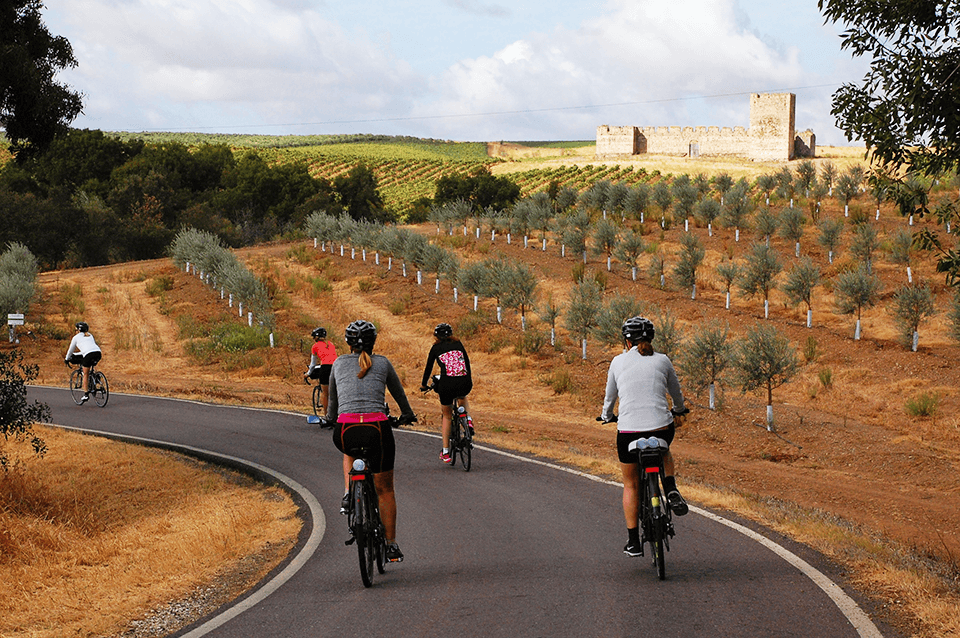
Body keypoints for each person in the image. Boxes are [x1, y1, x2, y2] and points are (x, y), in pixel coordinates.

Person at [326, 319, 416, 563]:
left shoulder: (338, 363)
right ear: (374, 341)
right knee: (385, 489)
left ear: (348, 343)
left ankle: (348, 493)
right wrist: (407, 415)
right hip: (378, 428)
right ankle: (391, 544)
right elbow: (400, 395)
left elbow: (332, 403)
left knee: (349, 449)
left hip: (346, 430)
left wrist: (330, 418)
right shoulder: (383, 363)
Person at [599, 316, 689, 558]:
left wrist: (606, 415)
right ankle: (669, 488)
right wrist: (679, 410)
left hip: (628, 432)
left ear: (626, 341)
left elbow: (610, 398)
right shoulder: (663, 360)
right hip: (661, 428)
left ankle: (633, 541)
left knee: (630, 484)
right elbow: (676, 393)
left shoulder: (617, 362)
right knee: (665, 450)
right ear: (651, 338)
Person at [420, 322, 473, 465]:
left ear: (436, 336)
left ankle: (445, 452)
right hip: (465, 382)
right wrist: (467, 380)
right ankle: (468, 420)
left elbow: (428, 367)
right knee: (462, 396)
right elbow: (466, 363)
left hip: (447, 384)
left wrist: (424, 384)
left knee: (447, 415)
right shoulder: (459, 344)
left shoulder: (436, 347)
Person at [64, 321, 102, 405]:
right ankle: (96, 378)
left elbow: (70, 350)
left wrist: (67, 359)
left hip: (88, 354)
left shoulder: (76, 337)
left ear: (78, 330)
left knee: (85, 374)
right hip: (98, 353)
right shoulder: (90, 335)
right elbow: (87, 349)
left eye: (76, 329)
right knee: (90, 367)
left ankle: (85, 394)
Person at [303, 326, 337, 414]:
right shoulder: (331, 344)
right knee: (334, 393)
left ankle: (327, 416)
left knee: (325, 394)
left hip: (325, 368)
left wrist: (308, 374)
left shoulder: (315, 346)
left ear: (316, 337)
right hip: (336, 367)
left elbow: (313, 364)